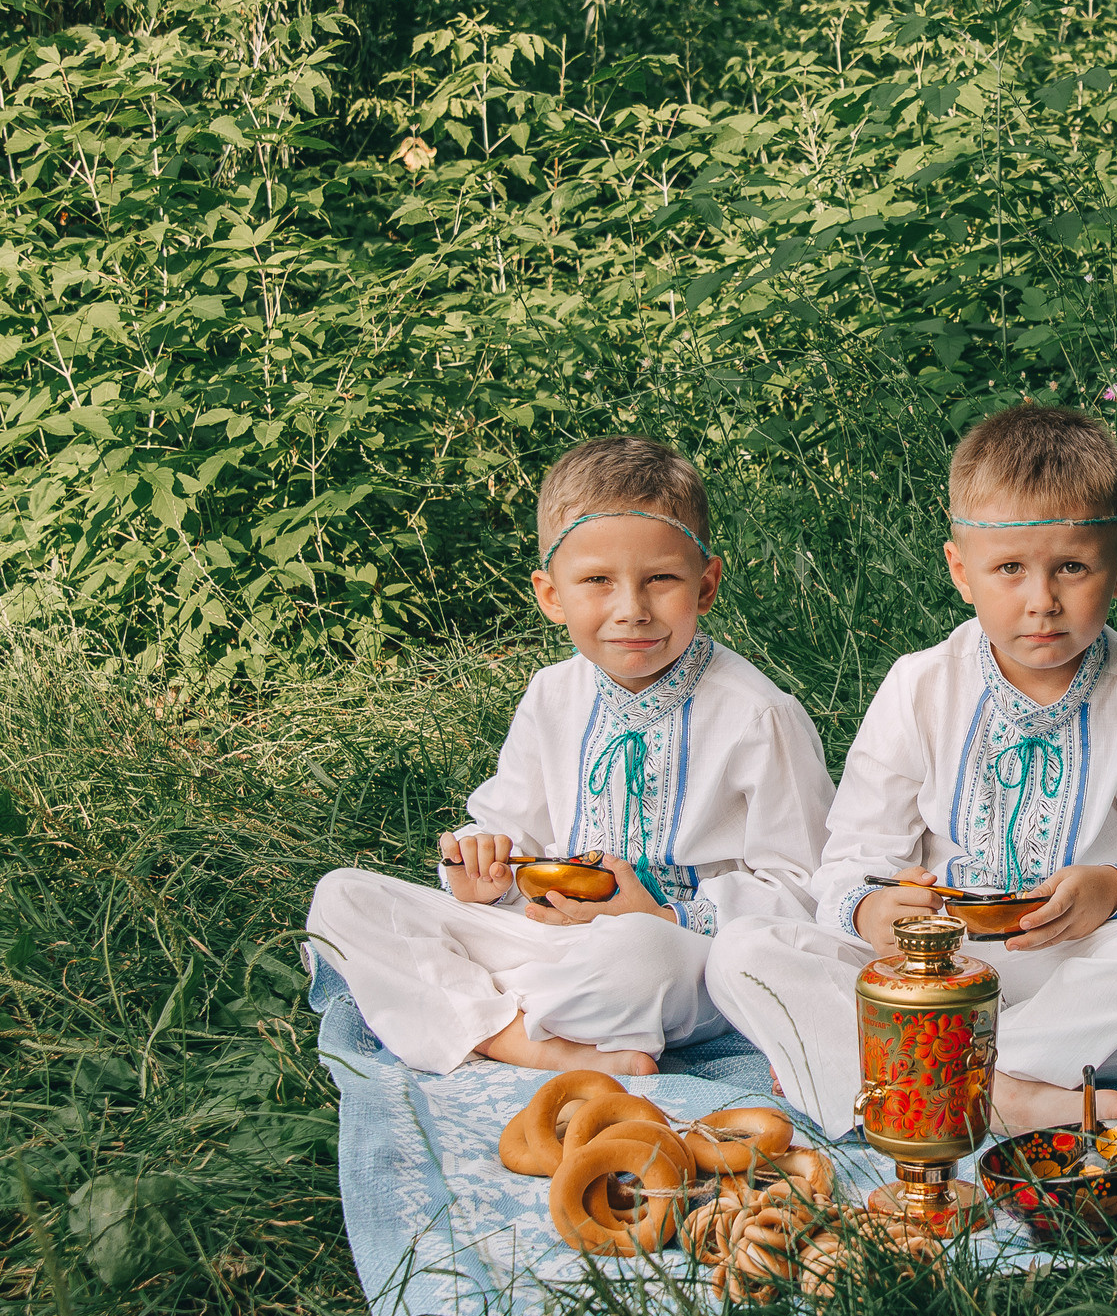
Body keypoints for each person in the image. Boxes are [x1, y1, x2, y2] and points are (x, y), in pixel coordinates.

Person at [705, 403, 1117, 1133]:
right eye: (1010, 569)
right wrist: (870, 909)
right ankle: (1005, 1093)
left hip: (1073, 971)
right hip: (928, 970)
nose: (1041, 601)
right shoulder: (919, 687)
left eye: (1072, 568)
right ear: (961, 570)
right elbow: (851, 858)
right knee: (743, 949)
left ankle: (906, 1083)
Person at [305, 437, 835, 1077]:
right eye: (596, 582)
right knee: (341, 903)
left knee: (635, 957)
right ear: (551, 595)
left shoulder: (758, 715)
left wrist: (666, 913)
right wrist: (484, 870)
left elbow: (808, 890)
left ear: (706, 585)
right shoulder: (552, 694)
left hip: (677, 959)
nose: (631, 610)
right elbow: (511, 826)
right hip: (543, 939)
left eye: (661, 579)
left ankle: (462, 1010)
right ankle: (517, 1036)